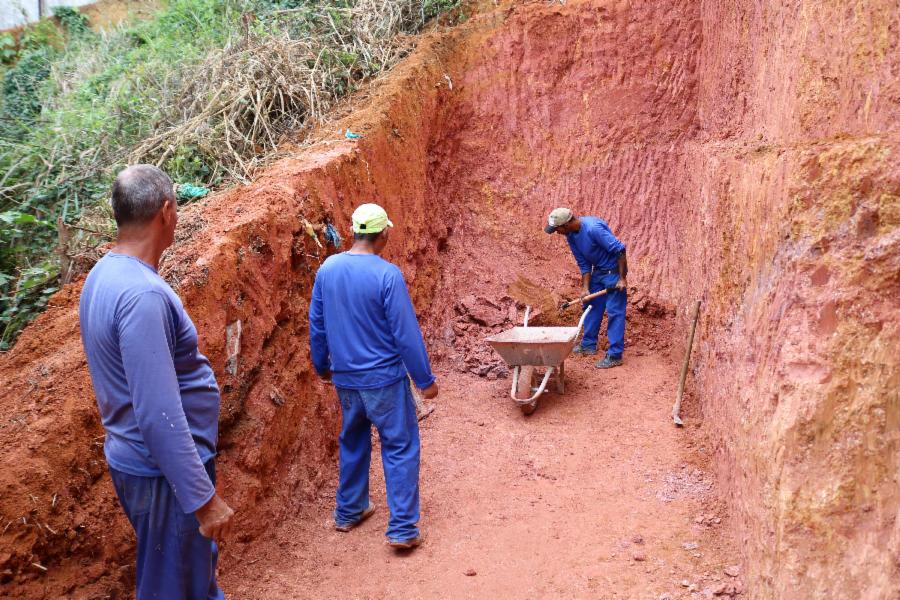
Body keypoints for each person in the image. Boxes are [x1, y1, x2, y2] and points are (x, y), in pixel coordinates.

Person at [79, 165, 234, 599]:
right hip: (162, 474)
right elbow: (158, 413)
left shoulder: (103, 276)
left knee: (193, 583)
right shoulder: (143, 297)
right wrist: (201, 499)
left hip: (142, 464)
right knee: (172, 588)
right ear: (166, 212)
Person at [309, 203, 438, 550]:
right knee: (399, 446)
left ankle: (349, 511)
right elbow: (405, 333)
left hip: (347, 381)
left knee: (353, 440)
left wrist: (322, 366)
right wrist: (424, 380)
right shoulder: (387, 275)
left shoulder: (328, 269)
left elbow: (317, 324)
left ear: (353, 231)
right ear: (383, 234)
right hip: (384, 380)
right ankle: (402, 528)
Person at [545, 207, 628, 368]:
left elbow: (620, 250)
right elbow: (583, 264)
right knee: (590, 305)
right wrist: (585, 288)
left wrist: (622, 278)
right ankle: (588, 344)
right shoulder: (571, 236)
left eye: (557, 229)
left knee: (614, 312)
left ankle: (615, 355)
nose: (557, 233)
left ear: (566, 224)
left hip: (614, 272)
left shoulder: (593, 229)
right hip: (598, 272)